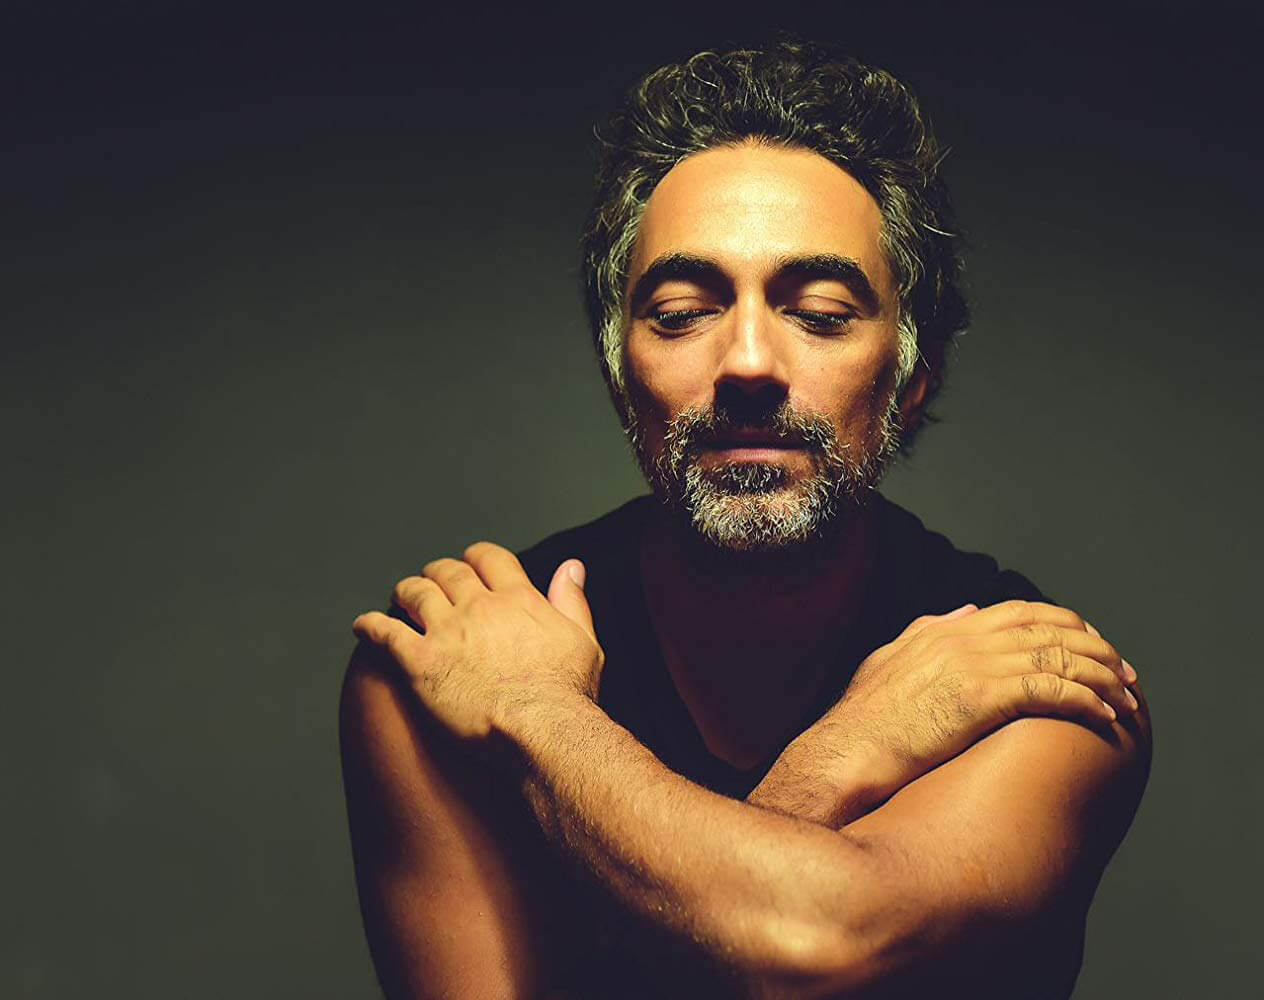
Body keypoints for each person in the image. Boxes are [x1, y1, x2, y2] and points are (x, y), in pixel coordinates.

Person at [339, 38, 1151, 999]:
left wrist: (533, 713)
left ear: (911, 378)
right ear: (619, 377)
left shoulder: (1035, 680)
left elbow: (813, 943)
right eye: (683, 311)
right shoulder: (444, 660)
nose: (749, 363)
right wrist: (849, 754)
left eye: (822, 312)